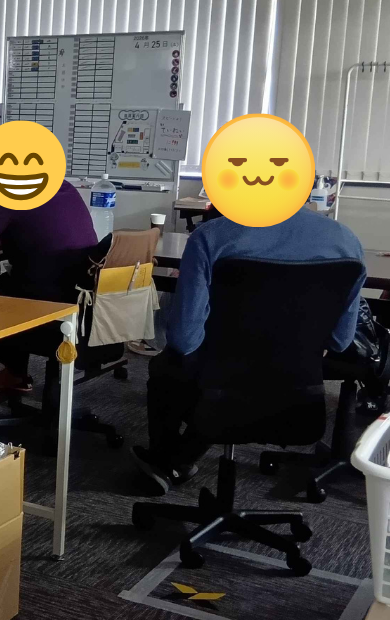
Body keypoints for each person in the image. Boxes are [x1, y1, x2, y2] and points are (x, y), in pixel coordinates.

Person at [132, 206, 366, 493]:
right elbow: (341, 341)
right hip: (296, 394)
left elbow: (184, 340)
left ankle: (166, 461)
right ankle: (180, 460)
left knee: (168, 366)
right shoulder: (347, 241)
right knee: (224, 379)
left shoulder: (211, 236)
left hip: (220, 385)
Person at [0, 181, 98, 415]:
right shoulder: (63, 187)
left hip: (47, 316)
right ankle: (15, 374)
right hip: (82, 311)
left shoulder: (13, 194)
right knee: (8, 284)